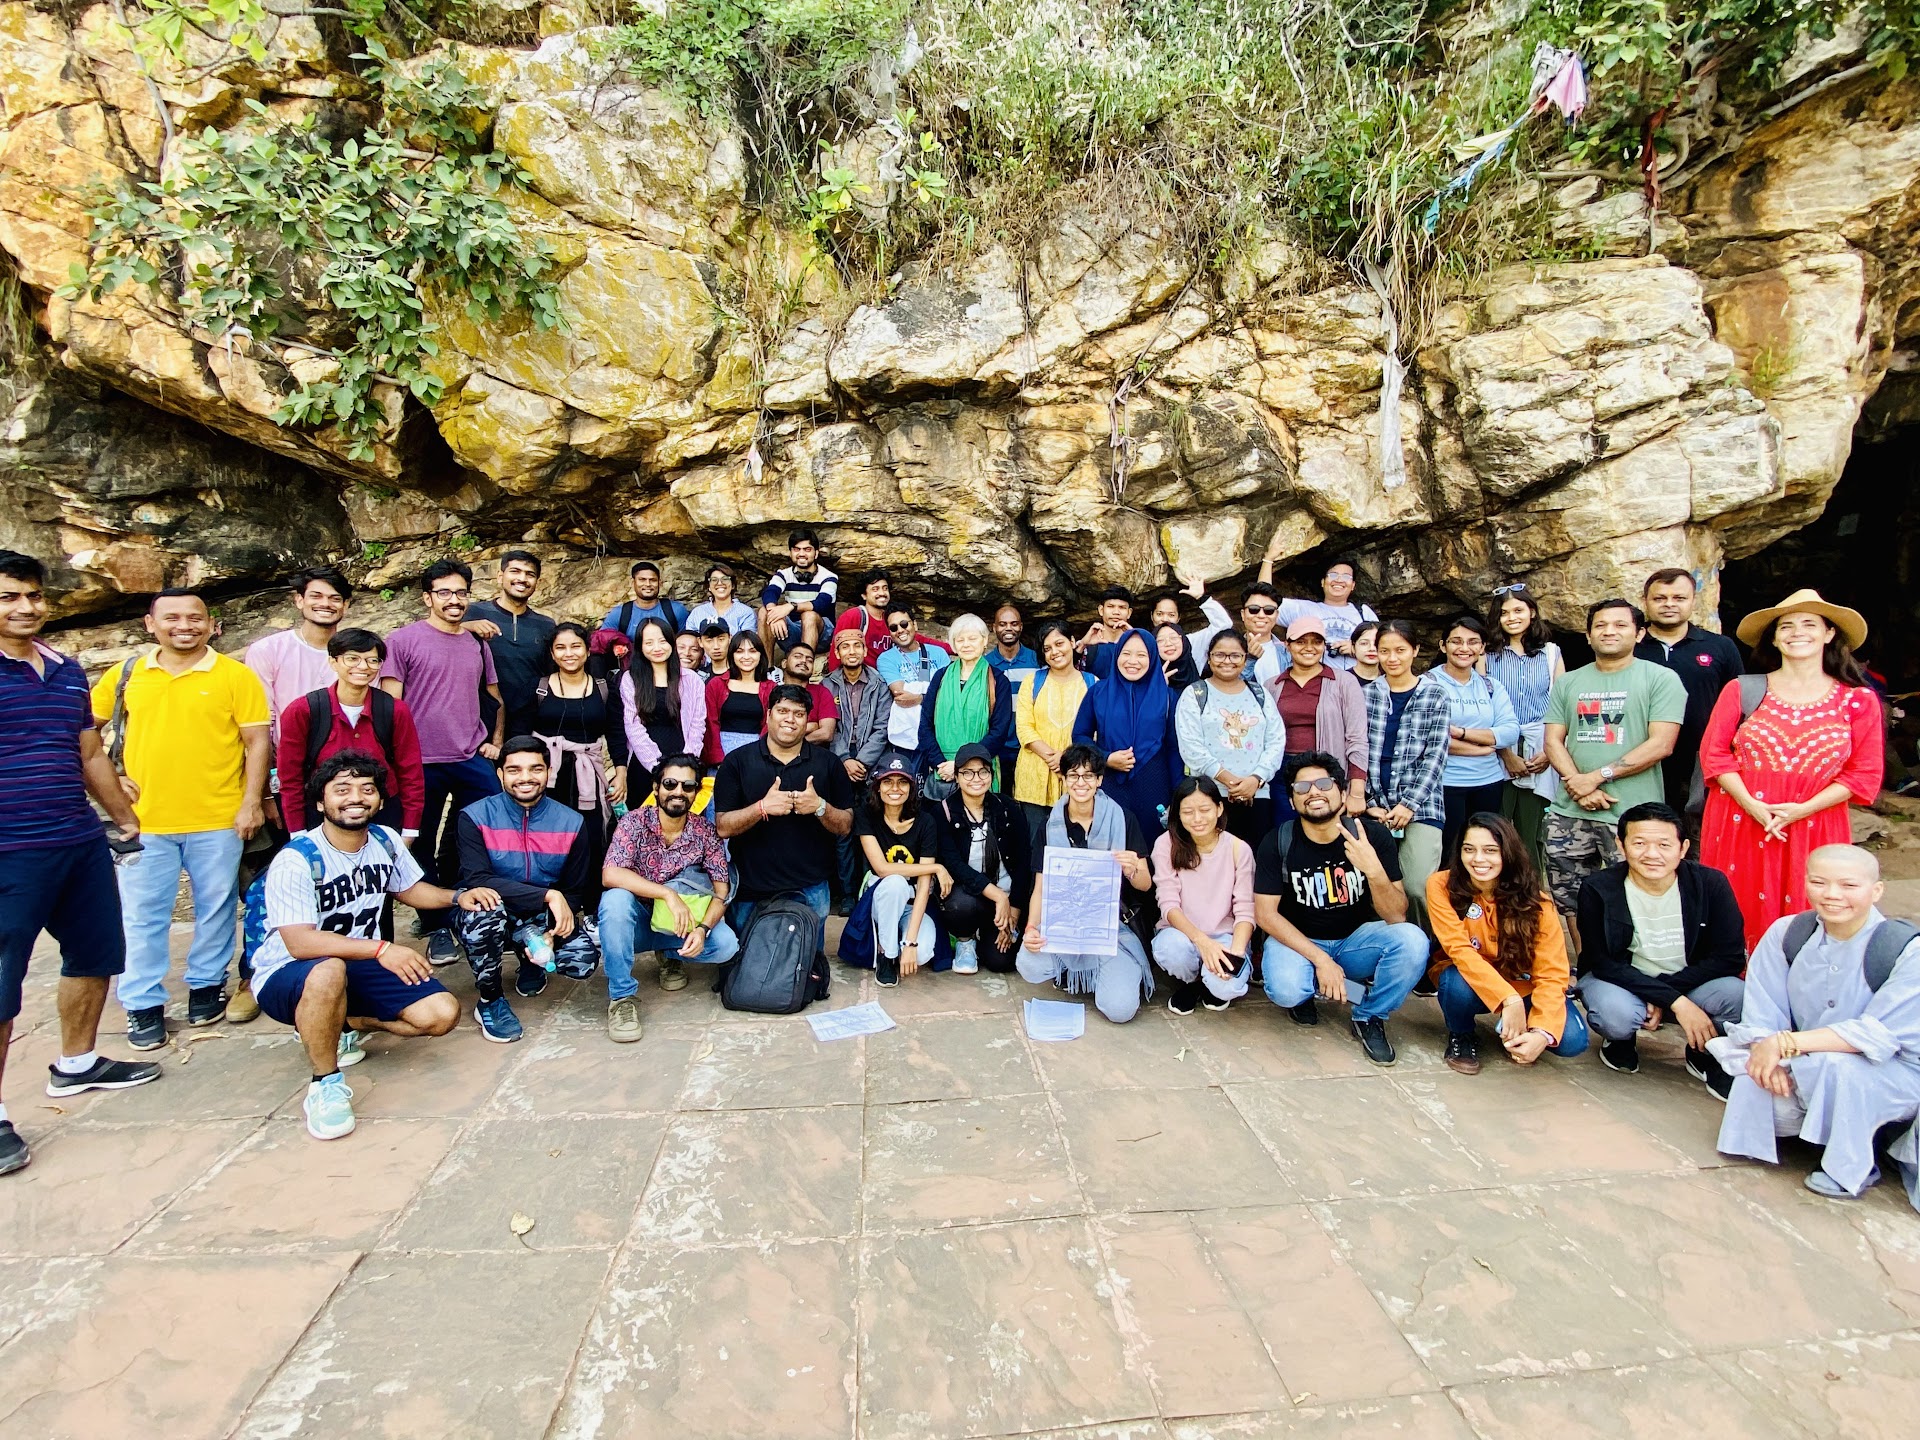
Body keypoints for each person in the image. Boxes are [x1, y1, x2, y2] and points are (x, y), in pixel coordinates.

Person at [0, 552, 157, 1174]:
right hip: (9, 850)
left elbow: (88, 750)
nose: (26, 607)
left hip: (77, 838)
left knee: (95, 954)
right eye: (9, 597)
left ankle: (77, 1062)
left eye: (33, 595)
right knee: (2, 982)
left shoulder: (65, 670)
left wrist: (122, 816)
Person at [252, 752, 478, 1139]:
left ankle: (340, 1023)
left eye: (366, 789)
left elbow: (409, 889)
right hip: (287, 973)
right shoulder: (297, 858)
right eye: (342, 789)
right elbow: (300, 942)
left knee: (441, 1014)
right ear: (320, 802)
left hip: (355, 961)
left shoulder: (384, 840)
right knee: (327, 970)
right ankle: (325, 1085)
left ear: (379, 800)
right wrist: (382, 950)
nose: (355, 797)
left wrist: (457, 897)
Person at [93, 588, 270, 1048]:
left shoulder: (234, 675)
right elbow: (84, 733)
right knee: (142, 915)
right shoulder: (127, 675)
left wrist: (251, 801)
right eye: (172, 617)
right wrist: (111, 779)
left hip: (217, 814)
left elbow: (256, 742)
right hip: (143, 820)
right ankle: (142, 1002)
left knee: (217, 907)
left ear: (211, 624)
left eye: (195, 617)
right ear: (150, 624)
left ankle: (206, 985)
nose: (184, 626)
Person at [1710, 845, 1920, 1204]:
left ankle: (1853, 1164)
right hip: (1806, 1059)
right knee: (1756, 1086)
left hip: (1892, 1072)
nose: (1832, 895)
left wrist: (1785, 1044)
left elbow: (1878, 1035)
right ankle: (1830, 1129)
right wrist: (1769, 1052)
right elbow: (1763, 1007)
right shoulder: (1789, 933)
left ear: (1876, 891)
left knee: (1841, 1068)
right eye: (1819, 882)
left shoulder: (1904, 949)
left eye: (1848, 885)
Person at [1699, 590, 1884, 949]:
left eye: (1809, 624)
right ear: (1774, 638)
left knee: (1811, 913)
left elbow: (1863, 773)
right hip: (1741, 818)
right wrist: (1752, 804)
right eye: (1786, 626)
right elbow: (1715, 755)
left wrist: (1802, 809)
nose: (1797, 632)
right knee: (1735, 913)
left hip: (1814, 823)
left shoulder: (1857, 700)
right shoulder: (1742, 690)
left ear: (1829, 633)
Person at [1255, 753, 1428, 1064]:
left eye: (1324, 784)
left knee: (1413, 940)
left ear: (1343, 793)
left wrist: (1373, 870)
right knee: (1286, 990)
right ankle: (1319, 988)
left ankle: (1369, 1014)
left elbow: (1396, 916)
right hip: (1300, 943)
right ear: (1292, 801)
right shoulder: (1278, 840)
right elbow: (1266, 914)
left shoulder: (1372, 836)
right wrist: (1321, 960)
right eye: (1302, 788)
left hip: (1355, 943)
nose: (1314, 792)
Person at [378, 560, 503, 962]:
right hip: (418, 761)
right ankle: (436, 926)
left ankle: (472, 907)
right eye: (444, 592)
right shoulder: (402, 641)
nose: (454, 600)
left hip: (470, 756)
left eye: (461, 592)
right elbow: (390, 705)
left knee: (485, 832)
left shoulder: (477, 644)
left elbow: (494, 697)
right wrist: (395, 759)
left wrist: (496, 741)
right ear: (427, 597)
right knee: (417, 842)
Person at [1575, 801, 1747, 1082]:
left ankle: (1703, 1047)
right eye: (1639, 843)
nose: (1652, 854)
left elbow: (1730, 957)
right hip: (1623, 982)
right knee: (1615, 1015)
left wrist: (1666, 994)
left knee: (1739, 996)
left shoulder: (1710, 884)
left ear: (1683, 848)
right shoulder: (1599, 888)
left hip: (1692, 983)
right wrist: (1673, 1000)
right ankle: (1620, 1041)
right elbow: (1601, 961)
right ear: (1621, 845)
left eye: (1664, 845)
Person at [1542, 599, 1686, 923]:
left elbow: (1662, 744)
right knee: (1572, 900)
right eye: (1600, 626)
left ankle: (1634, 957)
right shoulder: (1568, 682)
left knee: (1640, 894)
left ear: (1639, 634)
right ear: (1588, 635)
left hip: (1634, 814)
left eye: (1620, 625)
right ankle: (1585, 956)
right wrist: (1579, 786)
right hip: (1570, 810)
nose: (1609, 631)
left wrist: (1596, 777)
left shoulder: (1661, 678)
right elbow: (1552, 740)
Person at [452, 739, 602, 1043]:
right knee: (484, 914)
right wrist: (548, 895)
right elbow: (479, 879)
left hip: (538, 918)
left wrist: (551, 932)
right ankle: (490, 1000)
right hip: (492, 911)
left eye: (535, 769)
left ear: (548, 771)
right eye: (514, 770)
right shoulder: (474, 817)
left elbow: (574, 890)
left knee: (582, 961)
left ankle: (529, 957)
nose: (525, 778)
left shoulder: (571, 822)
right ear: (500, 774)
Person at [1427, 814, 1590, 1075]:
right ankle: (1462, 1034)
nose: (1478, 859)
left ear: (1508, 853)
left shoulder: (1537, 903)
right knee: (1454, 982)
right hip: (1469, 980)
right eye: (1469, 849)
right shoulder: (1441, 885)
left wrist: (1541, 1032)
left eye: (1490, 850)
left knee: (1571, 1041)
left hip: (1522, 983)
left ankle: (1517, 1033)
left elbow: (1551, 973)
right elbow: (1459, 950)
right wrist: (1508, 998)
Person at [597, 753, 739, 1041]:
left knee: (726, 945)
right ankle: (622, 998)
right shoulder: (634, 822)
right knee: (615, 901)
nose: (678, 792)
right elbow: (610, 874)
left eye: (688, 786)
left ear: (697, 792)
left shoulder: (704, 832)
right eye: (670, 784)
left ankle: (669, 954)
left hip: (677, 925)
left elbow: (721, 890)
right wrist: (667, 894)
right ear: (656, 788)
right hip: (636, 922)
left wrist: (703, 929)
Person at [1019, 746, 1156, 1023]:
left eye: (1088, 775)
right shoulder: (1050, 825)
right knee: (1028, 963)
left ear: (1100, 780)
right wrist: (1031, 928)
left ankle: (1108, 973)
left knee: (1119, 1010)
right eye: (1073, 775)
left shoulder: (1122, 818)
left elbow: (1145, 884)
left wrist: (1132, 870)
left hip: (1111, 928)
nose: (1080, 782)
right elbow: (1041, 887)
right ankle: (1079, 970)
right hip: (1066, 923)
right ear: (1063, 779)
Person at [714, 685, 855, 931]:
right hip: (751, 888)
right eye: (782, 711)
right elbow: (723, 827)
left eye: (799, 714)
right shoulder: (737, 762)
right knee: (744, 952)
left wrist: (820, 806)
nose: (790, 719)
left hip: (811, 887)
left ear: (807, 720)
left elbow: (845, 825)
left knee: (809, 953)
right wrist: (761, 808)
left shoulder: (829, 764)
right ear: (768, 714)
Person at [277, 629, 426, 837]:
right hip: (323, 814)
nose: (363, 667)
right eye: (352, 658)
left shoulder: (393, 710)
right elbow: (290, 776)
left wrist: (409, 830)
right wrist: (297, 831)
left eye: (372, 660)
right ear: (333, 661)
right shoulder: (304, 710)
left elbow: (410, 772)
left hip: (383, 813)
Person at [1361, 620, 1451, 926]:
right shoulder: (1366, 694)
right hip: (1375, 805)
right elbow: (1357, 751)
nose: (1392, 658)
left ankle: (1426, 947)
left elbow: (1436, 755)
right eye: (1384, 651)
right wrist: (1369, 802)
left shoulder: (1435, 694)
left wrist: (1408, 804)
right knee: (1376, 885)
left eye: (1400, 650)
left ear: (1415, 650)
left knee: (1416, 886)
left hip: (1422, 805)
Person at [1636, 567, 1743, 822]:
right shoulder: (1630, 647)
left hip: (1700, 760)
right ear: (1645, 601)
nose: (1669, 604)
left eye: (1679, 598)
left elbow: (1740, 704)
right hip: (1639, 756)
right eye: (1660, 598)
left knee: (1697, 831)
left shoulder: (1720, 646)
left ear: (1693, 600)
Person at [528, 622, 628, 878]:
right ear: (552, 654)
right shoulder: (538, 688)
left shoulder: (604, 688)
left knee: (590, 835)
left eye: (576, 646)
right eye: (561, 648)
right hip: (547, 775)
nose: (569, 653)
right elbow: (521, 731)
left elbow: (616, 733)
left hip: (588, 774)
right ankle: (546, 893)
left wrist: (621, 772)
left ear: (587, 651)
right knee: (546, 834)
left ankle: (588, 896)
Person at [1153, 777, 1256, 1015]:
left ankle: (1211, 983)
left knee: (1227, 986)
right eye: (1188, 812)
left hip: (1225, 935)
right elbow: (1168, 903)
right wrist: (1202, 941)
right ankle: (1193, 982)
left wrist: (1236, 953)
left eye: (1205, 810)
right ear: (1178, 814)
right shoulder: (1166, 844)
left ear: (1219, 809)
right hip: (1182, 934)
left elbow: (1245, 909)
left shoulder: (1238, 848)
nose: (1197, 819)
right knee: (1171, 950)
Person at [1175, 629, 1285, 846]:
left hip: (1256, 795)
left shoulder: (1259, 693)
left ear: (1245, 659)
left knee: (1253, 857)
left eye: (1235, 655)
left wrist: (1255, 780)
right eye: (1219, 655)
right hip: (1208, 796)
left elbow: (1276, 740)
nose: (1227, 661)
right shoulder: (1195, 693)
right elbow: (1191, 746)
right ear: (1209, 658)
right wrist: (1231, 782)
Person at [846, 753, 949, 985]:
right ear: (877, 786)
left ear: (911, 787)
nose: (895, 788)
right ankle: (886, 954)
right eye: (888, 781)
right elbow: (882, 869)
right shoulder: (866, 815)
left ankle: (899, 938)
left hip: (912, 901)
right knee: (895, 882)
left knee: (921, 953)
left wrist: (911, 943)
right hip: (880, 895)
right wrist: (937, 867)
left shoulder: (925, 822)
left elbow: (924, 884)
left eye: (902, 782)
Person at [933, 743, 1032, 974]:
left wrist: (1014, 911)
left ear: (991, 775)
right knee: (960, 905)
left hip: (1007, 896)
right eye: (967, 772)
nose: (976, 779)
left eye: (983, 772)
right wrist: (997, 895)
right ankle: (965, 940)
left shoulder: (1008, 808)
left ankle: (989, 935)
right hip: (970, 895)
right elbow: (954, 865)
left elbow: (1023, 862)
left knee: (1001, 962)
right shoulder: (943, 812)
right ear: (957, 776)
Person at [1484, 583, 1564, 866]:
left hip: (1540, 746)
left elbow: (1561, 705)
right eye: (1504, 613)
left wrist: (1550, 752)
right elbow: (1484, 706)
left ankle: (1533, 885)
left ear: (1532, 612)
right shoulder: (1486, 654)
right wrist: (1506, 753)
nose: (1512, 618)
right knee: (1497, 825)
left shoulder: (1551, 653)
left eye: (1518, 610)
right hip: (1498, 746)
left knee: (1534, 828)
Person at [1073, 629, 1180, 837]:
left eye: (1141, 655)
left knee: (1152, 848)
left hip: (1155, 787)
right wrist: (1106, 758)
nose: (1133, 661)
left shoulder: (1167, 696)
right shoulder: (1098, 692)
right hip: (1110, 785)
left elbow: (1174, 749)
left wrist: (1178, 797)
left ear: (1152, 658)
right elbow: (1079, 736)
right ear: (1117, 655)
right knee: (1112, 845)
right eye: (1126, 653)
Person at [1431, 615, 1521, 859]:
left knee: (1485, 849)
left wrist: (1462, 733)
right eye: (1456, 641)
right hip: (1445, 783)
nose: (1464, 648)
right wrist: (1482, 747)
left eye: (1473, 642)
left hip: (1488, 782)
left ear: (1482, 648)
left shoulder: (1491, 686)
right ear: (1443, 646)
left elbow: (1510, 731)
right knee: (1450, 853)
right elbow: (1430, 738)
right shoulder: (1428, 684)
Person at [1265, 616, 1368, 819]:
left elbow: (1357, 739)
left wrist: (1356, 791)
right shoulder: (1272, 685)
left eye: (1317, 642)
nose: (1309, 648)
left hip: (1328, 771)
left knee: (1328, 830)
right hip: (1283, 772)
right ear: (1287, 645)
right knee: (1287, 829)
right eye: (1301, 642)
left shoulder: (1344, 682)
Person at [244, 566, 350, 748]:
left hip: (346, 756)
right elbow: (262, 720)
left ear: (345, 605)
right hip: (288, 755)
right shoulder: (267, 650)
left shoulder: (358, 654)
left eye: (335, 598)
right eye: (316, 596)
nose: (325, 604)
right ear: (300, 600)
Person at [1013, 622, 1094, 842]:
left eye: (1059, 644)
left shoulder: (1092, 683)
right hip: (1035, 776)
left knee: (1075, 843)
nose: (1054, 652)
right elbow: (1024, 728)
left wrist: (1067, 759)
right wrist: (1055, 758)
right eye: (1047, 649)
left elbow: (1095, 732)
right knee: (1035, 844)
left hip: (1077, 777)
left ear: (1073, 642)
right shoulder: (1032, 682)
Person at [462, 551, 555, 740]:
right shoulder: (473, 612)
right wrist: (467, 626)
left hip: (528, 720)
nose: (522, 579)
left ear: (537, 582)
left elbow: (552, 674)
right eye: (515, 571)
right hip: (479, 716)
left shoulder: (546, 625)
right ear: (500, 576)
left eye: (530, 574)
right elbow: (441, 636)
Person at [918, 614, 1012, 791]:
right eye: (960, 640)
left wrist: (961, 765)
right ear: (953, 644)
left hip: (980, 771)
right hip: (942, 771)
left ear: (985, 641)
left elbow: (999, 732)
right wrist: (941, 764)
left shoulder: (998, 681)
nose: (966, 644)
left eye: (972, 639)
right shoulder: (940, 677)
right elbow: (925, 726)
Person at [621, 616, 707, 800]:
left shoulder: (691, 679)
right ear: (640, 646)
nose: (657, 648)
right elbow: (632, 726)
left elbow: (698, 724)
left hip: (683, 760)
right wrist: (656, 765)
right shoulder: (631, 679)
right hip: (644, 764)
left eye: (662, 641)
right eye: (649, 643)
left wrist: (686, 763)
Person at [1264, 554, 1377, 671]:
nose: (1339, 580)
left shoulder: (1363, 612)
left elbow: (1383, 646)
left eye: (1346, 576)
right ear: (1323, 582)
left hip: (1358, 680)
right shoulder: (1303, 609)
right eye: (1333, 575)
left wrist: (1356, 648)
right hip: (1314, 679)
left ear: (1353, 585)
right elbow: (1264, 600)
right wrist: (1268, 560)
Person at [876, 603, 950, 766]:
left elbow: (949, 694)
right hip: (908, 738)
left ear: (914, 624)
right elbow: (901, 696)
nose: (900, 630)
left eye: (904, 624)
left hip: (940, 732)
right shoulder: (886, 659)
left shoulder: (938, 653)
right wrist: (930, 694)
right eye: (894, 627)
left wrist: (919, 698)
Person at [761, 529, 837, 651]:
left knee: (809, 615)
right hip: (792, 631)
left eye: (807, 549)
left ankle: (806, 660)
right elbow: (770, 592)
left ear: (816, 553)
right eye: (797, 549)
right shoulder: (783, 575)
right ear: (790, 553)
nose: (801, 554)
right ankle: (767, 663)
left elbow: (822, 603)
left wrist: (791, 606)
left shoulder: (828, 577)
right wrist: (774, 615)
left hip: (822, 636)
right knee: (764, 611)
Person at [704, 630, 770, 764]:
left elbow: (769, 725)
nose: (746, 656)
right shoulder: (716, 684)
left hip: (756, 751)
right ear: (732, 655)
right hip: (722, 750)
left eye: (752, 651)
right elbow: (710, 723)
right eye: (739, 651)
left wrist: (760, 755)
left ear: (760, 654)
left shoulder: (771, 688)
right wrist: (718, 758)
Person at [766, 636, 838, 746]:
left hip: (811, 753)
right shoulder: (771, 690)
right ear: (784, 663)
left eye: (809, 660)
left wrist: (793, 745)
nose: (804, 661)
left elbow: (826, 733)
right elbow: (766, 730)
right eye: (798, 656)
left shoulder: (821, 692)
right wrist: (811, 726)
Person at [602, 560, 689, 640]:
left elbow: (686, 641)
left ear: (660, 583)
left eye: (653, 580)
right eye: (642, 580)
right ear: (632, 582)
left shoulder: (676, 610)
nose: (648, 584)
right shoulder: (619, 613)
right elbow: (602, 641)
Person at [1151, 577, 1234, 655]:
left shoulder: (1192, 642)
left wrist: (1201, 598)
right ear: (1152, 616)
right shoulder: (1145, 644)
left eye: (1171, 615)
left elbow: (1223, 624)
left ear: (1178, 618)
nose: (1165, 619)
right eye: (1159, 614)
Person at [830, 569, 894, 667]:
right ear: (864, 595)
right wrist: (835, 675)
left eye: (885, 588)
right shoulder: (854, 616)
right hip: (860, 673)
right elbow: (838, 648)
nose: (882, 593)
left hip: (888, 673)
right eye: (875, 589)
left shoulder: (891, 618)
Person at [1076, 585, 1136, 678]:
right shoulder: (1088, 647)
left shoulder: (1137, 644)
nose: (1116, 612)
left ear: (1129, 613)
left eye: (1122, 607)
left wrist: (1135, 638)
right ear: (1101, 610)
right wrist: (1082, 645)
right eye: (1110, 606)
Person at [685, 562, 758, 636]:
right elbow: (690, 639)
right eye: (714, 580)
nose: (719, 583)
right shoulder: (697, 613)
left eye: (725, 579)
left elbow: (747, 640)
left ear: (733, 585)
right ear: (709, 586)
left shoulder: (746, 612)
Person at [1238, 582, 1288, 688]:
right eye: (1253, 609)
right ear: (1243, 614)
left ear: (1277, 615)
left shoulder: (1288, 651)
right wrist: (1250, 660)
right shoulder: (1228, 649)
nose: (1261, 615)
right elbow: (1228, 687)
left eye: (1269, 610)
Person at [988, 604, 1037, 673]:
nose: (1008, 628)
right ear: (994, 628)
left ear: (1021, 627)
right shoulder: (985, 662)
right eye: (1002, 624)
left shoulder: (1036, 659)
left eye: (1014, 624)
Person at [1155, 623, 1199, 694]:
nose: (1168, 644)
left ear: (1184, 641)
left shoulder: (1194, 670)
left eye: (1173, 638)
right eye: (1160, 640)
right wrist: (1158, 688)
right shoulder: (1147, 676)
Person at [1348, 620, 1382, 684]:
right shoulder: (1342, 680)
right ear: (1353, 647)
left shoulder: (1391, 679)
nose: (1372, 649)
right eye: (1364, 643)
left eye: (1377, 643)